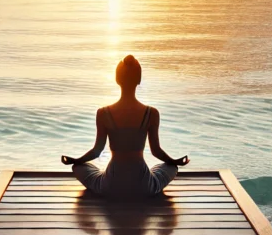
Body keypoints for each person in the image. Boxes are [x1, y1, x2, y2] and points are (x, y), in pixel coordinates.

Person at [62, 55, 190, 198]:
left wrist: (76, 160)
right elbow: (156, 151)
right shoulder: (151, 113)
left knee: (78, 167)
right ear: (139, 80)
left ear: (117, 79)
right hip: (143, 185)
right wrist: (175, 161)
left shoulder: (103, 113)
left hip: (111, 185)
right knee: (170, 167)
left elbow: (97, 151)